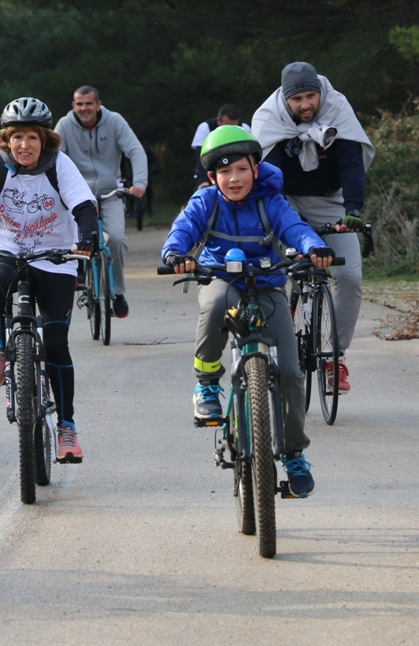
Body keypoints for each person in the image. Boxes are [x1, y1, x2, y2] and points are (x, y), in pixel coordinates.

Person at [161, 126, 332, 497]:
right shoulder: (205, 202)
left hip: (267, 283)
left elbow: (294, 228)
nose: (234, 178)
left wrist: (314, 248)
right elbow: (183, 229)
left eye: (241, 169)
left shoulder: (270, 201)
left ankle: (293, 454)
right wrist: (175, 255)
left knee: (290, 371)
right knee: (215, 304)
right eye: (224, 172)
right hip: (221, 278)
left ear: (256, 168)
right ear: (212, 177)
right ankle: (206, 386)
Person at [0, 97, 97, 463]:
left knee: (58, 342)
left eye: (32, 137)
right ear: (6, 140)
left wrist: (88, 236)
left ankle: (66, 427)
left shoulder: (59, 166)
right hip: (8, 252)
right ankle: (0, 347)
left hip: (55, 258)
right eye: (16, 137)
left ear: (45, 139)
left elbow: (83, 206)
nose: (24, 145)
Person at [251, 62, 375, 394]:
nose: (306, 105)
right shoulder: (268, 117)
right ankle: (278, 342)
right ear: (285, 100)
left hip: (330, 200)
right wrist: (287, 225)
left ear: (320, 93)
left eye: (311, 96)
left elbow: (351, 164)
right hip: (286, 200)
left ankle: (336, 356)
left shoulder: (338, 107)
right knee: (279, 271)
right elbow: (269, 176)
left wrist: (353, 209)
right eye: (297, 99)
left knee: (349, 277)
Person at [54, 85, 148, 319]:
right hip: (77, 193)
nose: (84, 108)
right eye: (79, 104)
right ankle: (76, 273)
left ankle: (117, 293)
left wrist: (140, 184)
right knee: (70, 237)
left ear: (98, 104)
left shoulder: (115, 121)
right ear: (73, 106)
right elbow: (54, 157)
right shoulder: (64, 126)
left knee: (115, 238)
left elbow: (135, 151)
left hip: (109, 192)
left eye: (89, 103)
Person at [191, 104, 251, 190]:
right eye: (227, 126)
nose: (230, 131)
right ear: (218, 121)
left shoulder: (245, 129)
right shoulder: (205, 128)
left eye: (234, 127)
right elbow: (201, 157)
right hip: (211, 169)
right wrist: (203, 181)